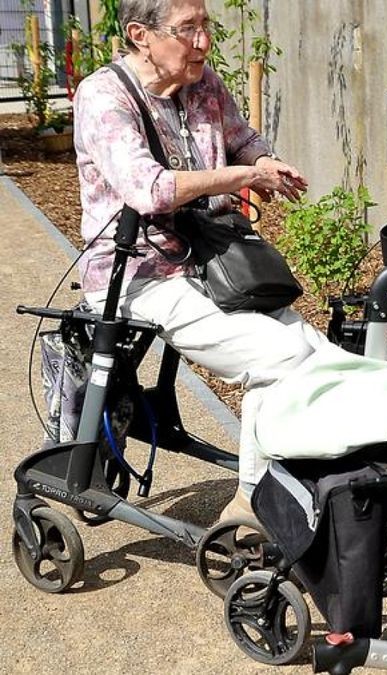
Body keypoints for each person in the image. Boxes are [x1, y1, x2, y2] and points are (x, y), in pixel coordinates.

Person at [73, 0, 322, 520]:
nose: (204, 42)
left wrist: (264, 159)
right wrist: (241, 177)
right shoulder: (104, 96)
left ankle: (305, 483)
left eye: (205, 27)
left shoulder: (203, 83)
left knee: (315, 351)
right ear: (141, 34)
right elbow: (150, 189)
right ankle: (253, 503)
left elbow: (242, 138)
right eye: (188, 30)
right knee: (280, 356)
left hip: (210, 257)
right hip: (138, 273)